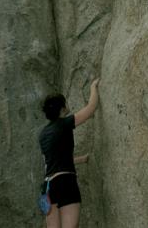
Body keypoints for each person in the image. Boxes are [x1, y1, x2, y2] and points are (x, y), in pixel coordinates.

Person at [39, 78, 100, 228]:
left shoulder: (43, 134)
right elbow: (91, 108)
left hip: (48, 186)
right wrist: (93, 87)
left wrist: (82, 159)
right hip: (66, 182)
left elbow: (53, 162)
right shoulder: (64, 123)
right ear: (62, 108)